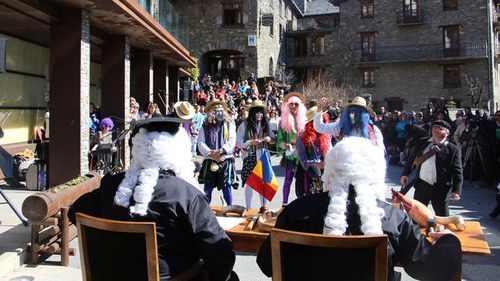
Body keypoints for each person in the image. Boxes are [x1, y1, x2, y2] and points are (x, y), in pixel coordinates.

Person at [257, 137, 462, 281]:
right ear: (374, 173)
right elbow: (431, 268)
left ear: (330, 169)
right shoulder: (393, 218)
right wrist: (448, 240)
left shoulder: (297, 210)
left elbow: (266, 264)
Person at [68, 116, 236, 281]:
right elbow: (221, 254)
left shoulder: (111, 186)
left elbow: (75, 212)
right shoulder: (186, 195)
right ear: (178, 151)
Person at [400, 120, 463, 216]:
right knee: (416, 216)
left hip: (440, 188)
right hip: (422, 186)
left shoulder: (453, 149)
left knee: (443, 218)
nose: (436, 130)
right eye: (434, 128)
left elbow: (457, 171)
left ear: (447, 133)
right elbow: (412, 159)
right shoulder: (422, 142)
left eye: (440, 129)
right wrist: (405, 174)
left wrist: (456, 190)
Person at [236, 99, 274, 209]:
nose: (260, 115)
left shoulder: (266, 124)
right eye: (257, 112)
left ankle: (263, 207)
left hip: (264, 156)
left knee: (264, 181)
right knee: (250, 182)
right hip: (250, 155)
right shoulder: (244, 124)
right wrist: (250, 142)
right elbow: (238, 141)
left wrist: (269, 139)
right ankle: (248, 207)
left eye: (261, 112)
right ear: (253, 113)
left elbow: (273, 138)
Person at [197, 99, 237, 205]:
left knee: (226, 187)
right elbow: (200, 142)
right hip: (210, 159)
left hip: (225, 159)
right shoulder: (204, 126)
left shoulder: (229, 124)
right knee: (207, 188)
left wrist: (221, 151)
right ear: (210, 113)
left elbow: (232, 141)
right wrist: (211, 153)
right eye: (214, 111)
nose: (217, 113)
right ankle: (205, 210)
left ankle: (229, 207)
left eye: (220, 110)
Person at [314, 96, 384, 148]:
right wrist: (319, 110)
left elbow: (379, 151)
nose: (353, 116)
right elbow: (320, 127)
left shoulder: (373, 130)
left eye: (357, 113)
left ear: (363, 115)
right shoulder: (341, 127)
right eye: (351, 112)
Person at [276, 92, 307, 206]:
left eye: (296, 104)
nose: (293, 106)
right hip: (290, 154)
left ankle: (304, 202)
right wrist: (285, 145)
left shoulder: (305, 121)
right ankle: (284, 203)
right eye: (291, 104)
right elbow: (279, 141)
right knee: (288, 179)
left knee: (303, 179)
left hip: (302, 155)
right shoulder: (284, 122)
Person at [295, 106, 331, 197]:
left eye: (321, 119)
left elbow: (331, 152)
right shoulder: (302, 137)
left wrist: (326, 163)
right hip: (308, 173)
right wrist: (315, 164)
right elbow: (303, 158)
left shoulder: (326, 135)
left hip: (325, 171)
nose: (321, 122)